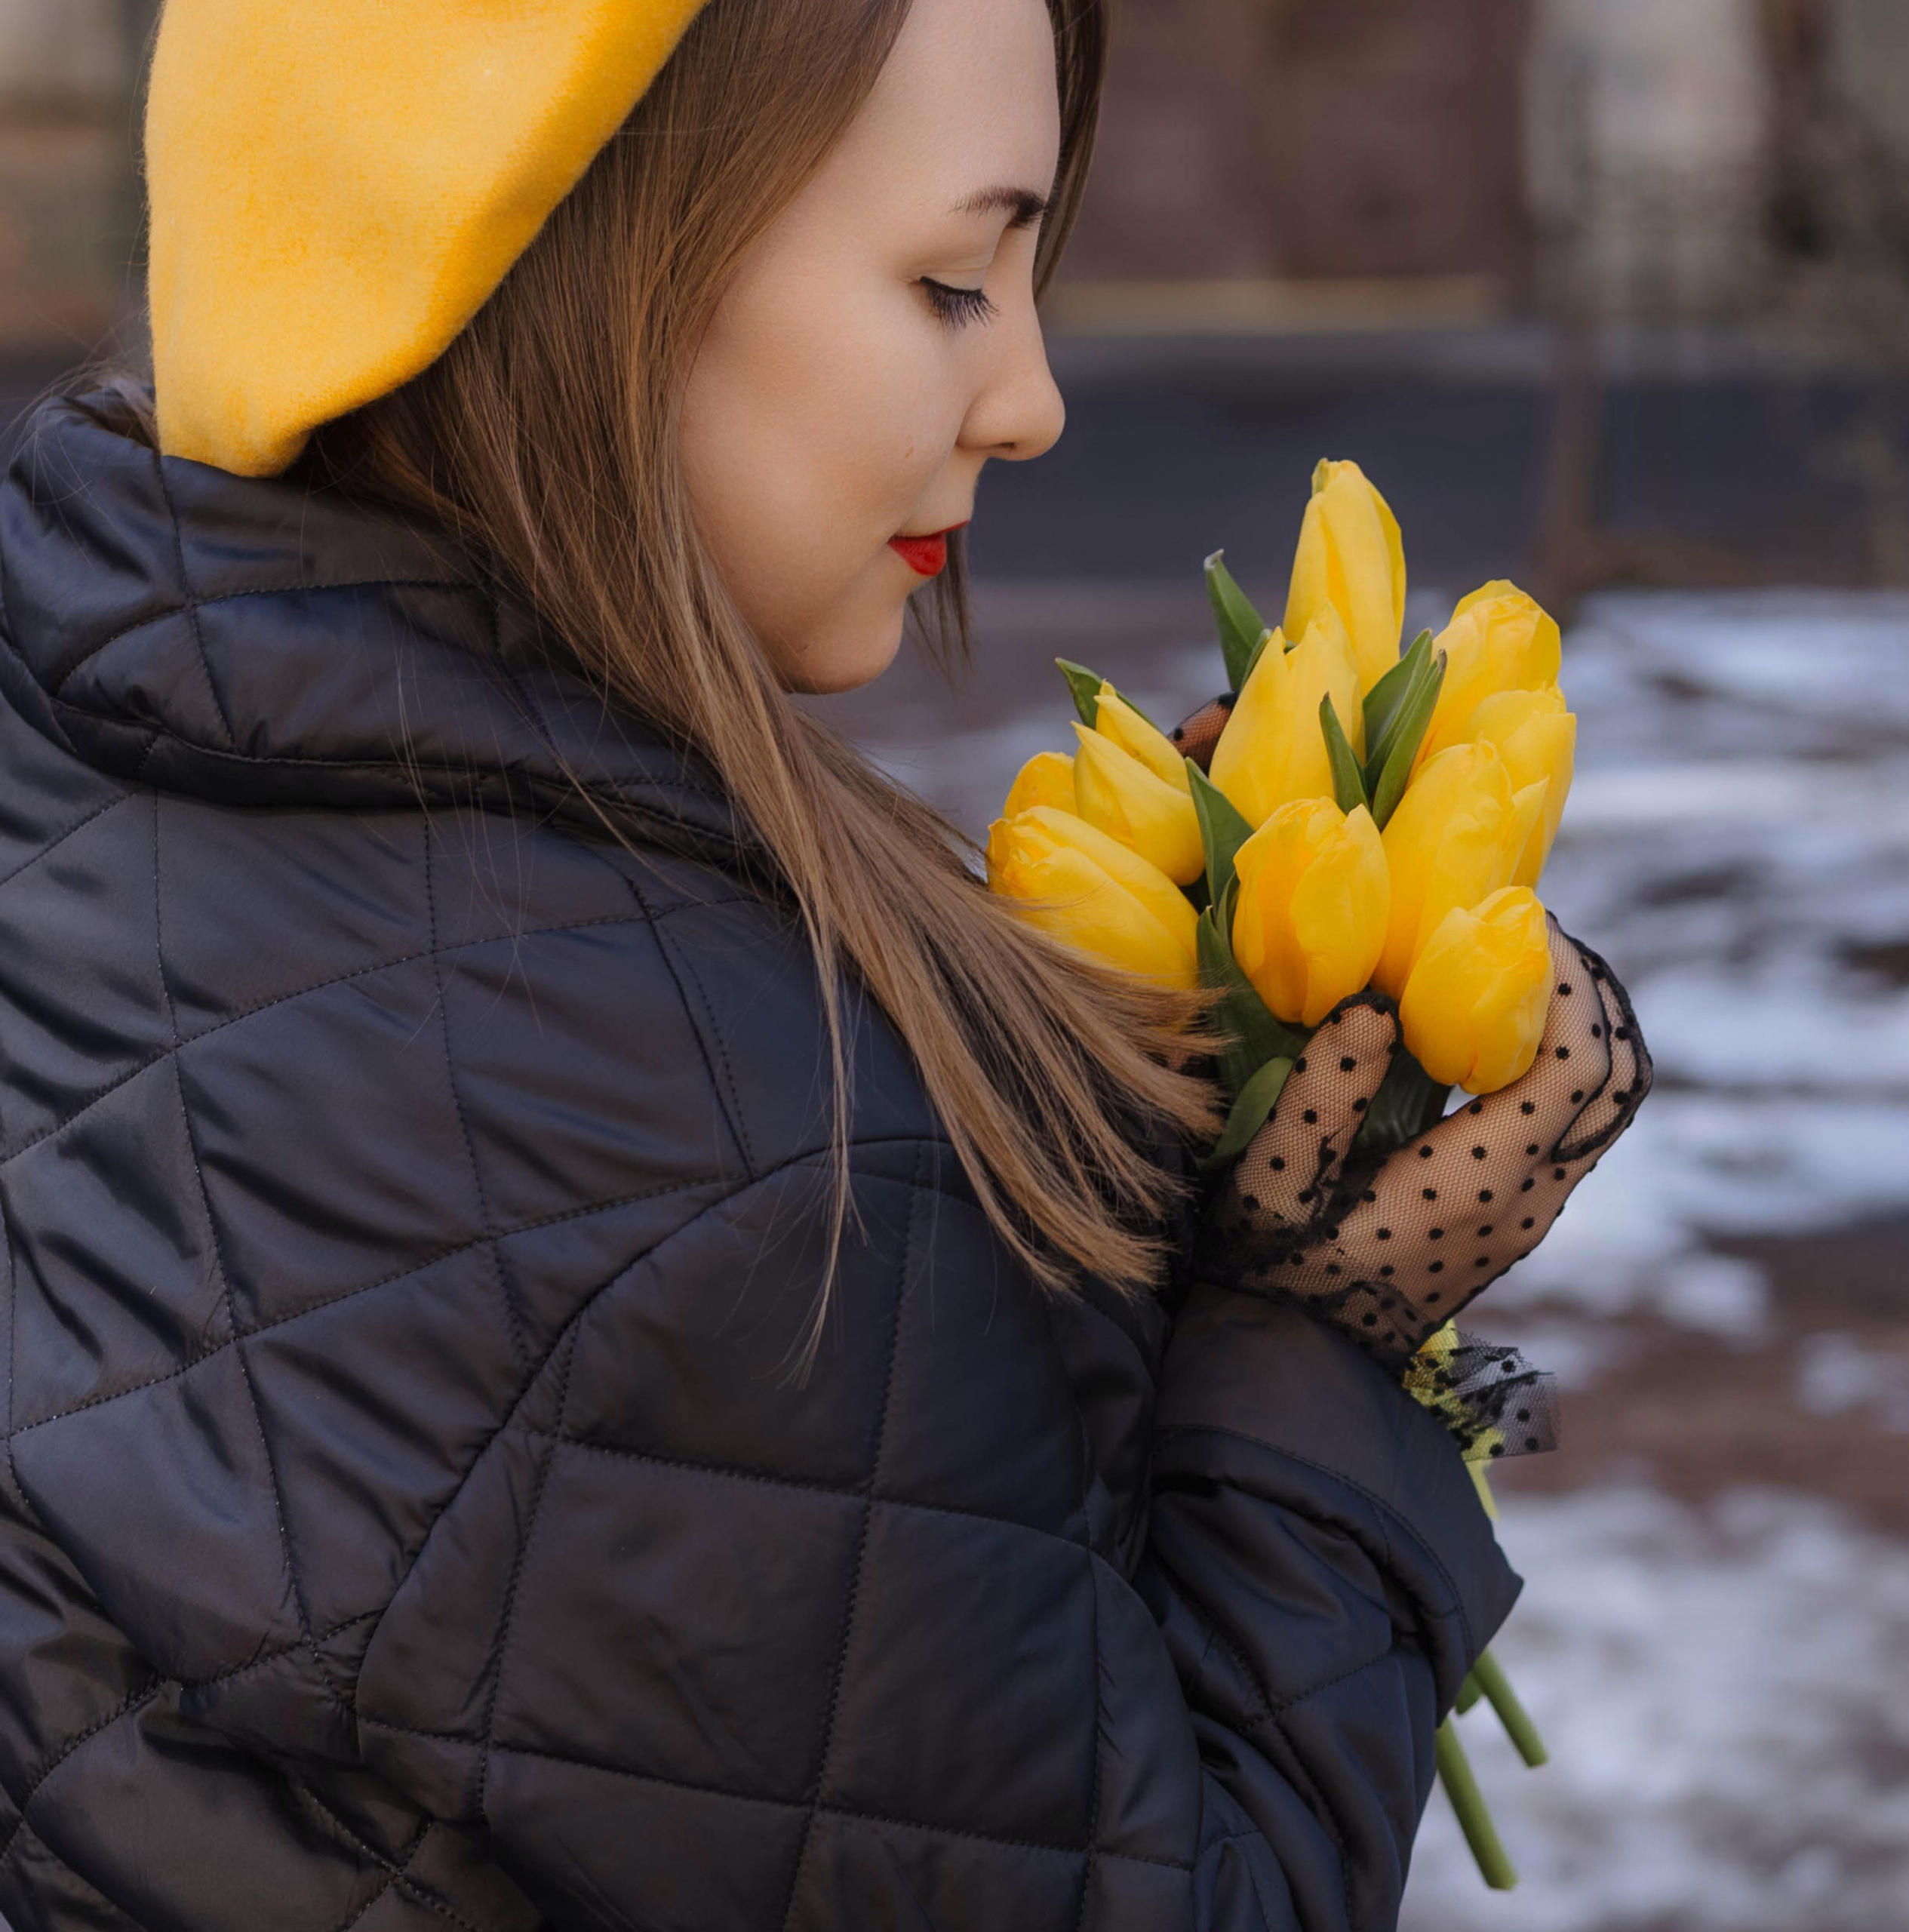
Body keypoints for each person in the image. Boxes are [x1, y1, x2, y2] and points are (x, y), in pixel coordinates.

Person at [0, 0, 1645, 1925]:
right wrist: (1312, 1361)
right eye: (952, 280)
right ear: (576, 264)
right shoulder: (743, 1170)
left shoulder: (112, 752)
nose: (1027, 395)